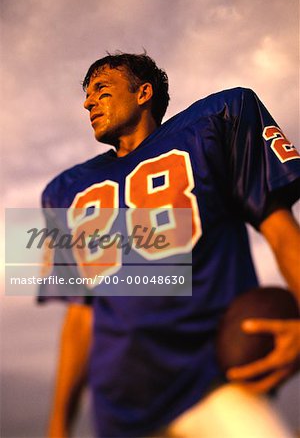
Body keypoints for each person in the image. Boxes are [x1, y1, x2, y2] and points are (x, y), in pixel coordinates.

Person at [40, 52, 300, 437]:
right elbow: (82, 316)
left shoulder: (218, 120)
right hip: (120, 409)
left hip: (212, 384)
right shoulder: (66, 190)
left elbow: (280, 231)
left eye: (101, 89)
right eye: (87, 93)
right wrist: (59, 423)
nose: (88, 101)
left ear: (143, 93)